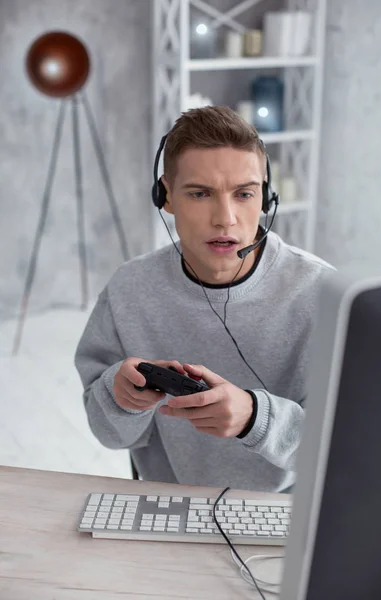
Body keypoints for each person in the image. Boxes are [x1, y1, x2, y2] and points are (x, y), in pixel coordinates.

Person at [74, 105, 333, 492]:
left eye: (244, 194)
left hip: (283, 514)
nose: (225, 218)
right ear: (166, 197)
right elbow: (111, 436)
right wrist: (120, 396)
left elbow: (345, 450)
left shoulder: (322, 293)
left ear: (266, 199)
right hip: (171, 504)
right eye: (200, 193)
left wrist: (255, 418)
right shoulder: (128, 289)